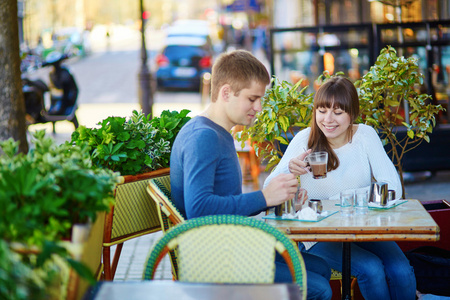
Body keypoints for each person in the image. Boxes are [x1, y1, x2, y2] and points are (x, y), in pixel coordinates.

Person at [171, 50, 332, 300]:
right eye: (252, 99)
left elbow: (222, 203)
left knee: (321, 268)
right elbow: (199, 209)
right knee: (319, 288)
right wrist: (264, 198)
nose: (258, 108)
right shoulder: (204, 138)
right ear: (226, 93)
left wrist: (277, 199)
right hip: (216, 264)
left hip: (229, 245)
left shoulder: (213, 131)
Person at [264, 76, 416, 300]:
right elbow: (267, 190)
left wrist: (339, 200)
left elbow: (392, 188)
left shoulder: (365, 136)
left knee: (401, 270)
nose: (328, 119)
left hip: (365, 227)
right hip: (319, 235)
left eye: (338, 112)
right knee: (371, 269)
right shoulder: (304, 140)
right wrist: (288, 170)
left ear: (352, 113)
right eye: (322, 110)